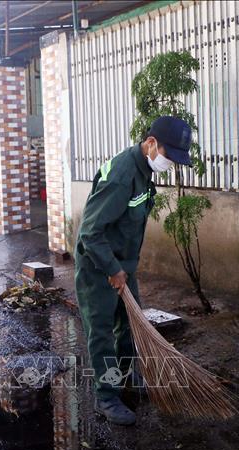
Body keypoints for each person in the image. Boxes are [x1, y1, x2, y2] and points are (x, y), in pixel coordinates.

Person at [74, 115, 193, 425]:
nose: (170, 164)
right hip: (98, 265)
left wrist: (124, 268)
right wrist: (112, 269)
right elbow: (90, 232)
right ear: (151, 144)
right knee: (101, 332)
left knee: (130, 323)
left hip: (122, 264)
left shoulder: (143, 171)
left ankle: (125, 376)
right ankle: (106, 395)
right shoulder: (122, 176)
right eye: (169, 156)